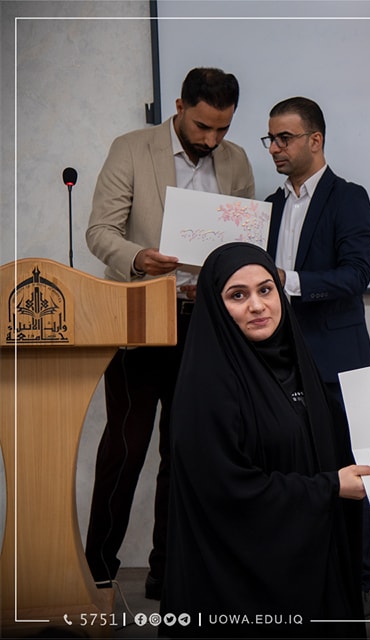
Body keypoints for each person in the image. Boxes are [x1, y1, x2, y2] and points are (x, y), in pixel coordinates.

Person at [84, 67, 255, 599]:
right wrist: (139, 257)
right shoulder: (132, 148)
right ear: (180, 107)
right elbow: (100, 232)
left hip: (206, 325)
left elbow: (245, 245)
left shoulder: (237, 160)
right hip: (139, 318)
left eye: (222, 128)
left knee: (186, 450)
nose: (212, 139)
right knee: (126, 446)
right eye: (203, 126)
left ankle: (168, 571)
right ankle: (97, 571)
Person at [160, 242, 370, 638]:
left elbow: (325, 433)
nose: (257, 306)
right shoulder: (206, 387)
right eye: (237, 295)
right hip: (242, 591)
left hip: (308, 568)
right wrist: (329, 487)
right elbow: (225, 492)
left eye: (265, 290)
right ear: (215, 306)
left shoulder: (296, 362)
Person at [262, 96, 370, 616]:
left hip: (335, 360)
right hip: (276, 357)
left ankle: (358, 582)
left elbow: (356, 275)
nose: (274, 148)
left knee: (351, 470)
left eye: (284, 138)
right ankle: (301, 576)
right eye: (270, 139)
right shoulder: (267, 206)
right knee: (290, 468)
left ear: (316, 139)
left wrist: (287, 280)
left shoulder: (348, 198)